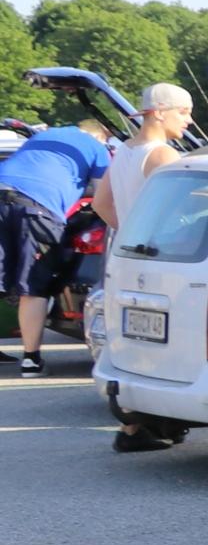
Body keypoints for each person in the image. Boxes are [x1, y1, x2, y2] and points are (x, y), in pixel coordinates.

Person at [95, 85, 196, 452]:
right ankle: (158, 418)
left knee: (136, 341)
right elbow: (185, 213)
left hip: (127, 257)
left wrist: (129, 231)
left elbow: (102, 203)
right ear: (158, 112)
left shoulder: (124, 151)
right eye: (183, 112)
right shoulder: (162, 156)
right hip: (162, 260)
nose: (189, 119)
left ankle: (135, 425)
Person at [0, 116, 114, 376]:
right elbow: (100, 197)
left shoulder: (41, 137)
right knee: (34, 285)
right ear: (101, 136)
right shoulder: (97, 147)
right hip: (36, 209)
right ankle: (31, 360)